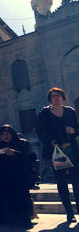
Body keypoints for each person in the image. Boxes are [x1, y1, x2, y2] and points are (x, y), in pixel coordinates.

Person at [37, 87, 79, 223]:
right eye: (54, 96)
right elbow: (40, 130)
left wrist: (73, 130)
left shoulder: (70, 112)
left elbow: (77, 128)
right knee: (62, 183)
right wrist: (49, 141)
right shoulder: (45, 113)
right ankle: (69, 213)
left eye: (59, 96)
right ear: (50, 98)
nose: (56, 98)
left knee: (77, 182)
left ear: (63, 97)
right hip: (57, 152)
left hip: (72, 150)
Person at [0, 124, 34, 229]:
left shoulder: (22, 143)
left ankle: (25, 219)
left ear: (12, 133)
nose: (5, 136)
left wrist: (15, 153)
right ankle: (7, 219)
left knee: (20, 192)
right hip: (4, 176)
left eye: (7, 133)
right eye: (3, 134)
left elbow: (32, 157)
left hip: (21, 175)